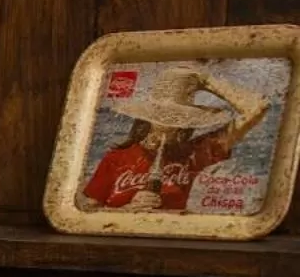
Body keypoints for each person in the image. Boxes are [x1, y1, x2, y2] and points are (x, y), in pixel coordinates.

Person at [80, 64, 270, 212]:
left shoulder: (194, 153)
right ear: (147, 117)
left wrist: (207, 81)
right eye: (161, 114)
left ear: (185, 122)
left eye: (176, 117)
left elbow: (257, 108)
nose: (167, 123)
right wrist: (126, 211)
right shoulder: (116, 158)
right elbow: (86, 213)